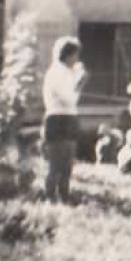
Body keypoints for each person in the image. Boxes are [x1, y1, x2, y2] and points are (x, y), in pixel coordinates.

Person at [41, 37, 85, 204]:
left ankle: (64, 197)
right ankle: (51, 199)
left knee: (67, 164)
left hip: (69, 117)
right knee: (56, 163)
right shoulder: (56, 72)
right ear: (66, 55)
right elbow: (69, 99)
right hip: (58, 117)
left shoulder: (67, 72)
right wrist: (79, 82)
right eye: (74, 55)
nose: (76, 59)